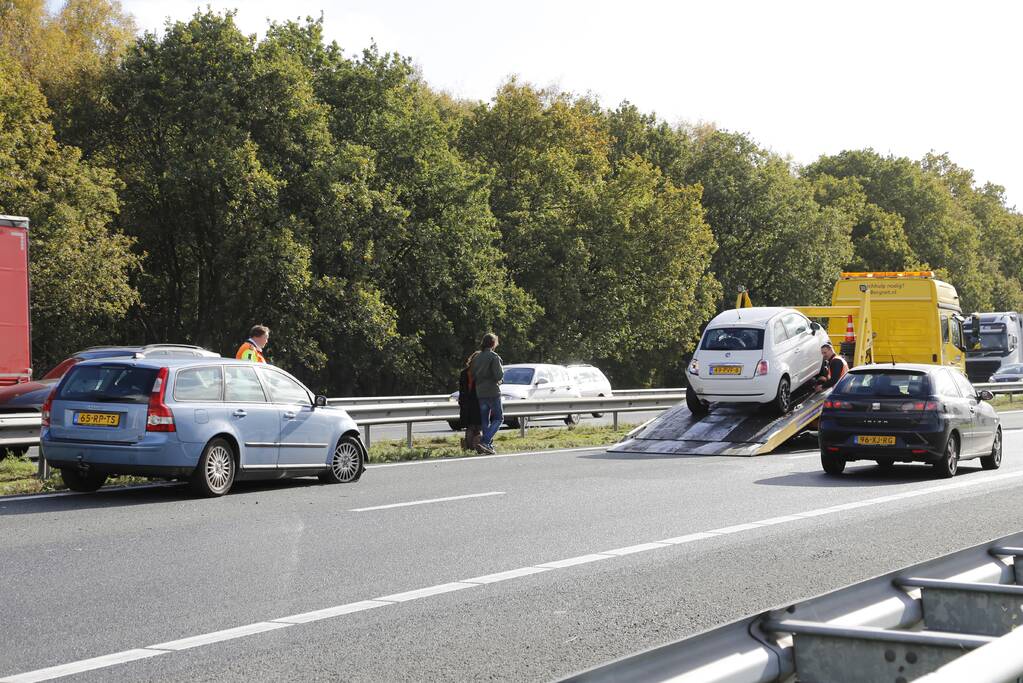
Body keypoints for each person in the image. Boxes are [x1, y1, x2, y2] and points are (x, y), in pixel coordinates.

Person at [471, 333, 504, 455]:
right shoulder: (494, 357)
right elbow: (499, 375)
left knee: (485, 420)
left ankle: (487, 446)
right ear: (493, 343)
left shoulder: (477, 357)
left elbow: (473, 374)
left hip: (480, 392)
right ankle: (485, 441)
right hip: (493, 391)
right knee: (499, 418)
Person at [458, 351, 483, 453]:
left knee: (469, 426)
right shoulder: (480, 373)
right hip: (477, 402)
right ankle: (476, 447)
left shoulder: (464, 373)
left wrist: (461, 403)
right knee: (477, 427)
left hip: (466, 403)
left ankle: (468, 448)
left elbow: (461, 390)